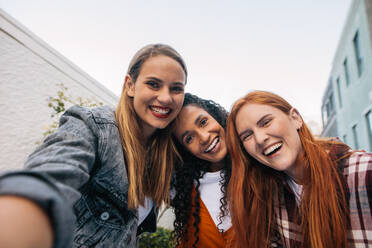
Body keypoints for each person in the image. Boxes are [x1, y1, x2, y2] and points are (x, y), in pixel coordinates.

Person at [0, 44, 188, 248]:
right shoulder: (93, 127)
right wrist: (24, 212)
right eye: (153, 84)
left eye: (176, 88)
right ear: (130, 85)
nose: (166, 97)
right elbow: (50, 178)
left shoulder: (166, 158)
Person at [226, 90, 372, 248]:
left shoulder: (364, 172)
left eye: (266, 122)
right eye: (247, 136)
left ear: (296, 119)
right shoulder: (268, 199)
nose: (260, 139)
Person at [171, 93, 234, 248]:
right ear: (185, 150)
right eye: (189, 139)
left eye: (203, 122)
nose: (204, 137)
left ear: (215, 117)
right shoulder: (183, 191)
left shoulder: (260, 171)